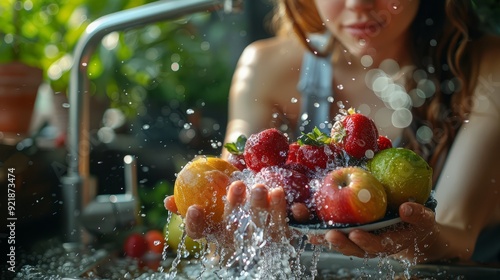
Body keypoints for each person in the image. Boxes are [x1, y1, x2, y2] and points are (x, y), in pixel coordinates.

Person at [165, 0, 500, 264]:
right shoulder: (265, 67)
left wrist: (416, 239)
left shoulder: (483, 69)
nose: (359, 4)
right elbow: (235, 195)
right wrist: (227, 233)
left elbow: (458, 234)